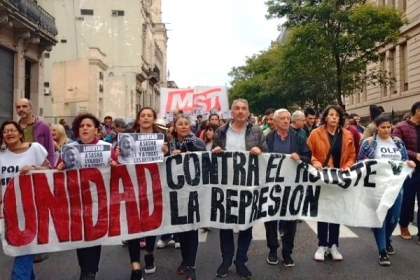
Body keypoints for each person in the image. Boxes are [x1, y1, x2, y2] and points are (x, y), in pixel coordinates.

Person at [56, 113, 118, 280]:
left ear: (96, 130)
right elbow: (56, 172)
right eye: (82, 126)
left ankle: (90, 271)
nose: (85, 128)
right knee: (80, 235)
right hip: (76, 201)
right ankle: (85, 269)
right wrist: (60, 167)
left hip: (99, 201)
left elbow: (119, 172)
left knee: (93, 235)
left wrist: (114, 165)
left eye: (88, 126)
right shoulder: (70, 148)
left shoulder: (106, 148)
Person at [212, 98, 267, 279]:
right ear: (231, 112)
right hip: (226, 186)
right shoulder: (221, 131)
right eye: (237, 108)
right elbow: (212, 155)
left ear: (248, 112)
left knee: (246, 225)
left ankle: (241, 261)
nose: (241, 111)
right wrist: (215, 151)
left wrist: (260, 152)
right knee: (225, 225)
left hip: (248, 186)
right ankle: (226, 260)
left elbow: (267, 156)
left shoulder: (257, 131)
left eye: (244, 108)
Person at [358, 113, 416, 266]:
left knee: (393, 218)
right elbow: (359, 164)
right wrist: (365, 162)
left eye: (388, 127)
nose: (386, 130)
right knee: (380, 219)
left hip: (395, 187)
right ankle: (382, 250)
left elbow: (404, 160)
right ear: (376, 128)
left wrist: (409, 163)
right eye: (382, 127)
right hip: (376, 188)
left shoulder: (398, 143)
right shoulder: (368, 144)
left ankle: (387, 238)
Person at [122, 107, 169, 280]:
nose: (146, 118)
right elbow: (119, 158)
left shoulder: (162, 137)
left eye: (149, 115)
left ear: (154, 119)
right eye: (143, 115)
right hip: (132, 187)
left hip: (153, 187)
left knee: (150, 223)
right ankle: (135, 267)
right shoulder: (127, 137)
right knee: (133, 225)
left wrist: (166, 152)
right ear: (138, 119)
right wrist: (118, 153)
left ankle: (149, 252)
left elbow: (169, 162)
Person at [0, 120, 51, 280]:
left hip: (32, 207)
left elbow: (50, 170)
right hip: (9, 209)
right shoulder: (1, 155)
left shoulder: (35, 149)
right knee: (21, 248)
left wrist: (35, 169)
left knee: (24, 248)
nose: (9, 133)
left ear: (20, 133)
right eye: (5, 131)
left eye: (12, 130)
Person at [307, 105, 356, 262]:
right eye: (331, 115)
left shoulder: (347, 134)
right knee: (323, 212)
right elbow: (308, 153)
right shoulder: (315, 133)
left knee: (336, 212)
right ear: (325, 117)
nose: (334, 117)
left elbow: (352, 156)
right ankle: (322, 245)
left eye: (337, 115)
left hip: (340, 179)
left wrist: (347, 167)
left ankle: (334, 245)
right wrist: (314, 162)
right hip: (322, 178)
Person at [264, 109, 311, 268]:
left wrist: (300, 157)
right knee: (270, 219)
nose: (285, 121)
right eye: (282, 118)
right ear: (275, 121)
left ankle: (287, 252)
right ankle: (272, 250)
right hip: (272, 185)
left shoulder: (297, 138)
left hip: (291, 185)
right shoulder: (268, 138)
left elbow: (307, 156)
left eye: (287, 118)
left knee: (290, 219)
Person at [16, 97, 54, 263]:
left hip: (39, 173)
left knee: (39, 211)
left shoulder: (43, 126)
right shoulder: (14, 127)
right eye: (18, 107)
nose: (21, 109)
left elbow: (50, 151)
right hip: (20, 175)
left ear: (31, 108)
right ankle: (26, 243)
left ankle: (41, 247)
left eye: (24, 106)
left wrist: (50, 171)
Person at [170, 114, 206, 280]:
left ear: (190, 126)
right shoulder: (169, 144)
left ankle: (191, 265)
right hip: (176, 194)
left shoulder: (198, 142)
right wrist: (170, 155)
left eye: (186, 124)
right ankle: (185, 259)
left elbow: (205, 160)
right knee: (181, 231)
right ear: (175, 127)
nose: (184, 126)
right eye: (180, 124)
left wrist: (191, 152)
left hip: (194, 192)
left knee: (192, 229)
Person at [393, 101, 420, 242]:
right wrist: (415, 155)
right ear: (417, 111)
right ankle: (403, 225)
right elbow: (396, 147)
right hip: (408, 170)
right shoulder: (401, 127)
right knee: (407, 200)